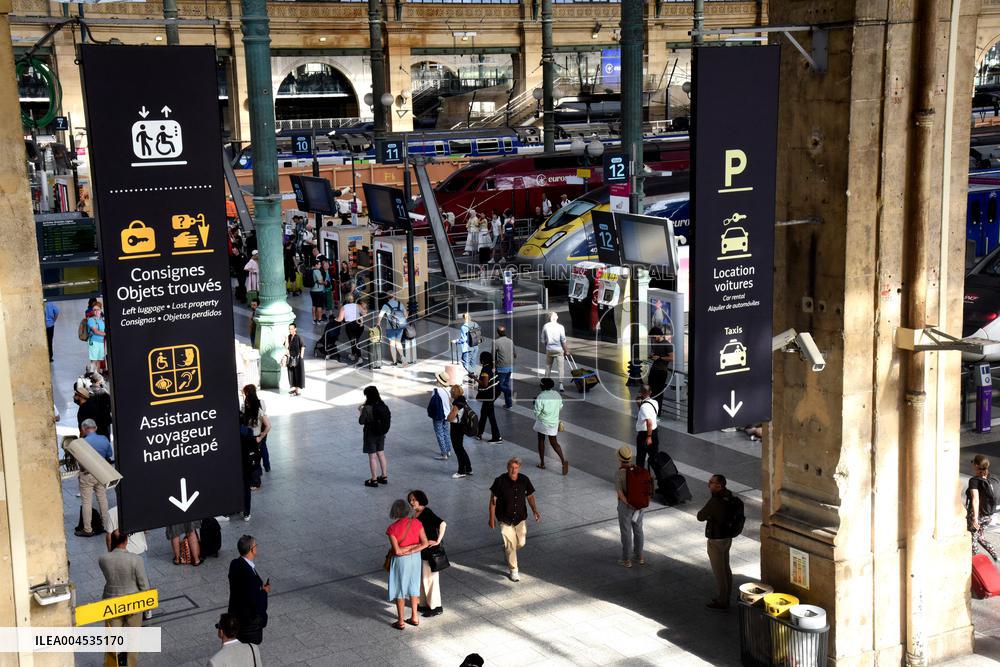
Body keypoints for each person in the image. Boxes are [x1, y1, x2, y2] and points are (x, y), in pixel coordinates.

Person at [99, 529, 149, 667]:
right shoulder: (136, 560)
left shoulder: (103, 559)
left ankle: (110, 664)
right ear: (126, 541)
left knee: (112, 639)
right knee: (133, 639)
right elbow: (144, 585)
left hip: (112, 601)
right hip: (133, 603)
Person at [488, 457, 540, 582]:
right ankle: (514, 570)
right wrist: (491, 518)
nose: (513, 470)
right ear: (507, 468)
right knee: (511, 545)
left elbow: (530, 496)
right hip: (504, 518)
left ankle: (507, 549)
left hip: (520, 518)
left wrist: (535, 511)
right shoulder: (499, 481)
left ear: (519, 468)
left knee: (521, 543)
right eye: (511, 467)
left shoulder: (524, 479)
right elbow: (492, 501)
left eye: (516, 468)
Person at [386, 498, 430, 630]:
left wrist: (405, 549)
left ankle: (400, 621)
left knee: (400, 589)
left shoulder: (392, 529)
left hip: (401, 561)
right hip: (415, 559)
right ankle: (414, 617)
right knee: (413, 586)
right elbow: (425, 543)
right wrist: (413, 548)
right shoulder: (417, 522)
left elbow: (397, 551)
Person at [697, 474, 735, 610]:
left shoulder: (715, 501)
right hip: (727, 537)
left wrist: (709, 514)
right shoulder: (729, 496)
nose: (708, 484)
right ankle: (727, 595)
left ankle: (722, 601)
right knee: (726, 568)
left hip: (716, 540)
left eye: (711, 482)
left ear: (719, 486)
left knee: (719, 572)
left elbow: (700, 516)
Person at [409, 490, 447, 617]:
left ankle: (436, 607)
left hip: (430, 553)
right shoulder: (415, 513)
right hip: (421, 551)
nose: (411, 502)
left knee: (430, 580)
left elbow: (442, 524)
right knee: (423, 579)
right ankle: (424, 604)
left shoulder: (427, 512)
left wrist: (438, 540)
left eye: (414, 499)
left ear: (420, 499)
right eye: (410, 499)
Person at [228, 535, 270, 644]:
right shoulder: (250, 577)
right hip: (247, 623)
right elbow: (254, 601)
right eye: (256, 545)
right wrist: (264, 592)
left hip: (235, 615)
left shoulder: (235, 564)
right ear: (252, 550)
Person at [75, 418, 113, 537]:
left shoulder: (82, 443)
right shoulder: (104, 439)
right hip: (101, 473)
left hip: (87, 474)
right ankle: (106, 525)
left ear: (84, 429)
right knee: (102, 498)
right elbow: (109, 454)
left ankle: (87, 529)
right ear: (95, 428)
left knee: (86, 501)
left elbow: (79, 460)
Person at [614, 446, 645, 568]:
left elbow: (620, 493)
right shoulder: (638, 470)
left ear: (619, 459)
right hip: (640, 506)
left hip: (626, 506)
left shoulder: (619, 473)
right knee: (638, 530)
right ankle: (640, 556)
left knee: (626, 532)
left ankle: (626, 559)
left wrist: (628, 504)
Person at [533, 379, 568, 475]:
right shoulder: (556, 394)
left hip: (543, 423)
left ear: (543, 386)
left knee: (541, 440)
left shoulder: (540, 397)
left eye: (540, 384)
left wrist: (534, 403)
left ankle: (542, 463)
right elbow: (560, 406)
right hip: (554, 422)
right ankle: (563, 460)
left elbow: (537, 413)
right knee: (554, 443)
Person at [967, 454, 999, 561]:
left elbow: (975, 499)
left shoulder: (974, 481)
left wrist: (975, 518)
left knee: (973, 538)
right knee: (980, 537)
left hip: (978, 514)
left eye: (973, 463)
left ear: (976, 465)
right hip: (988, 514)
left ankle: (975, 561)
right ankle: (995, 555)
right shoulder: (993, 477)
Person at [359, 385, 390, 487]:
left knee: (372, 457)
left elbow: (361, 421)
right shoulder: (382, 404)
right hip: (381, 433)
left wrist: (361, 411)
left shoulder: (367, 408)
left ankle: (374, 479)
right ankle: (384, 476)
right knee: (381, 454)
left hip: (370, 434)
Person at [241, 384, 272, 479]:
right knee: (262, 448)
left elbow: (267, 424)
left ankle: (257, 477)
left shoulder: (251, 408)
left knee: (257, 452)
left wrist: (261, 436)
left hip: (257, 432)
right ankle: (266, 466)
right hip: (255, 433)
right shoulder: (258, 403)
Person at [447, 384, 473, 479]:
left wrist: (447, 417)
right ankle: (468, 468)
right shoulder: (463, 399)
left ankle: (461, 471)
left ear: (454, 393)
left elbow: (451, 418)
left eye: (451, 392)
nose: (450, 393)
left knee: (458, 449)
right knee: (461, 448)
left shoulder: (457, 404)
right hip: (462, 426)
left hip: (456, 428)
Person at [476, 351, 502, 443]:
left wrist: (475, 378)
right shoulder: (493, 367)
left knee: (491, 415)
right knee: (484, 412)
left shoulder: (485, 370)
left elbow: (485, 384)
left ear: (482, 360)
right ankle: (479, 433)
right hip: (495, 391)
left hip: (489, 394)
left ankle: (497, 437)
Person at [647, 325, 674, 414]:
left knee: (658, 393)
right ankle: (651, 411)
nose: (653, 339)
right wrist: (651, 356)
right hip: (654, 370)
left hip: (662, 371)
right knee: (650, 391)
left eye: (654, 337)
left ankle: (657, 412)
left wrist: (659, 358)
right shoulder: (655, 343)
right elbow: (655, 354)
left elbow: (672, 358)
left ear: (659, 335)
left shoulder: (667, 344)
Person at [377, 292, 408, 366]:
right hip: (400, 326)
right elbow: (406, 315)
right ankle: (403, 358)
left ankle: (395, 362)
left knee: (392, 344)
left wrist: (378, 323)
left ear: (387, 297)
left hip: (390, 327)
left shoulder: (386, 305)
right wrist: (401, 320)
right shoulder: (400, 304)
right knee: (398, 342)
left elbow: (380, 316)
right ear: (394, 296)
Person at [541, 311, 569, 391]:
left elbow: (543, 340)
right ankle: (561, 385)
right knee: (561, 368)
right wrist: (566, 351)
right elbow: (563, 340)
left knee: (548, 366)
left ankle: (546, 383)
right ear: (553, 317)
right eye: (556, 314)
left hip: (549, 349)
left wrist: (547, 346)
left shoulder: (545, 326)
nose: (557, 315)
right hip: (559, 350)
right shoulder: (560, 327)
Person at [635, 385, 660, 470]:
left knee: (640, 457)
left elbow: (649, 422)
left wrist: (649, 437)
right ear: (650, 392)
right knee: (654, 457)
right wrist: (639, 404)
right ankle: (660, 475)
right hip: (655, 432)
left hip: (645, 435)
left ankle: (639, 476)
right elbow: (647, 414)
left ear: (641, 393)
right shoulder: (655, 402)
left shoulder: (644, 407)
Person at [336, 294, 367, 363]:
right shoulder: (357, 306)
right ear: (353, 299)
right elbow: (365, 314)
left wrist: (335, 319)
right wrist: (363, 309)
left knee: (354, 341)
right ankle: (353, 355)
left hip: (350, 325)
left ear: (346, 299)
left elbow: (340, 319)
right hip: (359, 325)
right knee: (355, 340)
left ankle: (359, 357)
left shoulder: (344, 307)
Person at [429, 372, 453, 461]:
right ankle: (448, 450)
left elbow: (432, 403)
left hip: (438, 415)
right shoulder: (449, 390)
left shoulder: (436, 390)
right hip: (447, 415)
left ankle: (444, 453)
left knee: (439, 433)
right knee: (446, 433)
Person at [493, 325, 516, 409]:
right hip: (510, 367)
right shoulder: (510, 341)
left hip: (501, 367)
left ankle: (509, 392)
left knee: (499, 385)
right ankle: (508, 404)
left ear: (497, 333)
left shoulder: (496, 342)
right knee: (506, 384)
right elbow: (515, 354)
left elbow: (492, 356)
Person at [454, 313, 481, 380]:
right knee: (473, 362)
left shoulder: (464, 327)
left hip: (468, 348)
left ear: (464, 318)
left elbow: (463, 339)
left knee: (465, 362)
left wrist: (456, 341)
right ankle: (473, 377)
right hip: (475, 346)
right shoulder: (475, 324)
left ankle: (473, 375)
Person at [87, 302, 107, 376]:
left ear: (101, 310)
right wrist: (106, 334)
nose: (96, 311)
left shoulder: (102, 320)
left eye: (97, 309)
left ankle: (98, 375)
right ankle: (92, 375)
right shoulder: (91, 320)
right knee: (94, 360)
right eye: (94, 310)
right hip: (94, 342)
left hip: (101, 342)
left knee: (99, 360)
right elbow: (95, 331)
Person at [284, 323, 305, 395]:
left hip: (298, 358)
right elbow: (286, 347)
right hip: (291, 358)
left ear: (295, 329)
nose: (290, 330)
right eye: (289, 329)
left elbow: (302, 346)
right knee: (292, 374)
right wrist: (286, 338)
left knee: (298, 374)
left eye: (292, 329)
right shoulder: (289, 337)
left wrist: (301, 357)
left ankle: (297, 391)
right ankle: (295, 389)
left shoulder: (298, 337)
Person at [309, 258, 326, 324]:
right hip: (318, 290)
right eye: (319, 264)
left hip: (312, 290)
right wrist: (325, 283)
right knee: (319, 306)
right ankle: (319, 320)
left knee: (314, 305)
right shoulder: (317, 271)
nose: (320, 266)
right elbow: (320, 281)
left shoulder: (310, 270)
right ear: (315, 265)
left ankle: (314, 320)